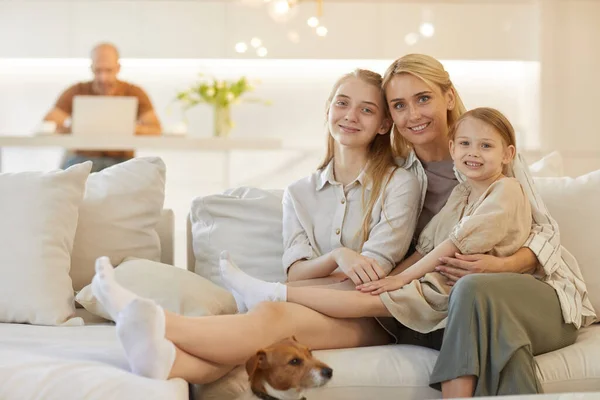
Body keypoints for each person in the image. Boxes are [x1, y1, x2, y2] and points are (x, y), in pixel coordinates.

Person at [93, 55, 596, 397]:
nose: (412, 114)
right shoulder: (404, 172)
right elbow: (392, 260)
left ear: (448, 96)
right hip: (420, 299)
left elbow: (540, 230)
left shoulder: (485, 150)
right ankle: (166, 355)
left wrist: (505, 261)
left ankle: (163, 319)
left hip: (489, 290)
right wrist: (343, 264)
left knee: (277, 310)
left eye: (422, 99)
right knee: (271, 323)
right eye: (399, 105)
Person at [91, 68, 421, 382]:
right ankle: (167, 362)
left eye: (366, 110)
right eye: (342, 103)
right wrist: (339, 257)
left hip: (371, 317)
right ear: (328, 109)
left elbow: (372, 275)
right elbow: (296, 272)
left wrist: (327, 271)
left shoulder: (399, 183)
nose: (350, 116)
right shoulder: (299, 193)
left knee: (271, 314)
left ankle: (150, 318)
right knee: (260, 327)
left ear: (382, 124)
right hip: (309, 304)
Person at [217, 106, 534, 361]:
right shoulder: (462, 193)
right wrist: (398, 276)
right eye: (465, 144)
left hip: (453, 287)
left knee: (371, 296)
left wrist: (397, 280)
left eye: (485, 146)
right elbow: (426, 247)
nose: (473, 152)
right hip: (438, 277)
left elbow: (453, 244)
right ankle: (266, 292)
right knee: (369, 290)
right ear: (453, 148)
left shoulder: (504, 189)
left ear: (507, 154)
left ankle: (272, 292)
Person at [43, 42, 162, 172]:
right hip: (82, 160)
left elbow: (155, 128)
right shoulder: (76, 91)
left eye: (108, 70)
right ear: (91, 68)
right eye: (98, 70)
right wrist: (73, 128)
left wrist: (127, 129)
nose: (103, 78)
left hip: (122, 163)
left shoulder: (134, 92)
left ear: (118, 68)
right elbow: (48, 124)